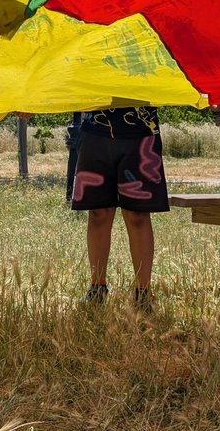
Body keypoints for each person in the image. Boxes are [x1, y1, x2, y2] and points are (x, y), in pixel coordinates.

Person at [70, 107, 169, 312]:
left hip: (142, 134)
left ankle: (143, 295)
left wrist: (212, 95)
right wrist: (28, 101)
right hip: (94, 133)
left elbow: (184, 74)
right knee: (98, 213)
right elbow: (60, 76)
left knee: (138, 215)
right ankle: (97, 289)